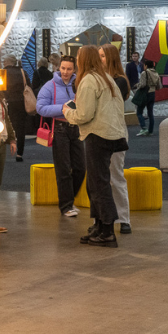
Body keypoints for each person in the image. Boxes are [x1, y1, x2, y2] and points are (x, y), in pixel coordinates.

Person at [63, 45, 128, 248]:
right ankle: (99, 226)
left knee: (99, 185)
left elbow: (84, 114)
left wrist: (67, 112)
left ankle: (107, 231)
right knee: (96, 183)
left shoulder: (89, 81)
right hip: (111, 135)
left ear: (83, 60)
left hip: (97, 136)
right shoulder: (107, 78)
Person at [37, 54, 81, 217]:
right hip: (60, 129)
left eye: (69, 69)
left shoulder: (79, 84)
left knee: (80, 167)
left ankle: (70, 199)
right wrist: (62, 108)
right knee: (63, 168)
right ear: (58, 68)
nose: (65, 72)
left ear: (74, 69)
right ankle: (66, 206)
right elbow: (40, 108)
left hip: (76, 128)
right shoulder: (50, 86)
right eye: (63, 68)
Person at [100, 46, 134, 234]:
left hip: (116, 131)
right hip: (98, 132)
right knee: (100, 177)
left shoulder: (119, 80)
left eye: (103, 56)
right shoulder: (97, 78)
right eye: (98, 56)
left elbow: (106, 101)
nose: (100, 59)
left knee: (116, 175)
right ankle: (104, 217)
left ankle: (123, 218)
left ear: (111, 58)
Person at [1, 56, 31, 162]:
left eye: (4, 61)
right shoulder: (22, 72)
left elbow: (0, 89)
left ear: (7, 62)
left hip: (7, 103)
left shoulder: (3, 73)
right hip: (21, 103)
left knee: (6, 125)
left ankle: (4, 151)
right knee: (20, 128)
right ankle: (19, 153)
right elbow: (28, 85)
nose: (3, 62)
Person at [134, 60, 160, 136]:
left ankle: (143, 128)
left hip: (145, 94)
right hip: (153, 93)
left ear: (146, 65)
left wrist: (137, 86)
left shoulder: (144, 73)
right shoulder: (156, 73)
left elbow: (142, 84)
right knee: (150, 113)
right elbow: (159, 86)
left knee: (139, 112)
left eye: (144, 65)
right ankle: (150, 131)